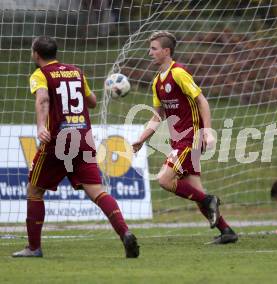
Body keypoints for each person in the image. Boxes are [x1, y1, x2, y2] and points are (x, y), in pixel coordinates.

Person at [12, 36, 139, 258]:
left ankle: (33, 248)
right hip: (83, 137)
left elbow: (42, 99)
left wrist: (41, 125)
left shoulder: (40, 74)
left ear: (36, 54)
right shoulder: (75, 72)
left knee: (34, 191)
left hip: (57, 140)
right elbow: (92, 101)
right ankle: (125, 233)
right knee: (97, 191)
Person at [132, 31, 238, 244]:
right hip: (179, 140)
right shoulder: (156, 82)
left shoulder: (179, 73)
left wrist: (207, 131)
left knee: (164, 179)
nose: (149, 52)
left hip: (191, 138)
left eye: (153, 48)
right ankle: (227, 232)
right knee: (195, 191)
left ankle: (210, 200)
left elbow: (202, 101)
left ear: (166, 51)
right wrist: (141, 139)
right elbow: (157, 117)